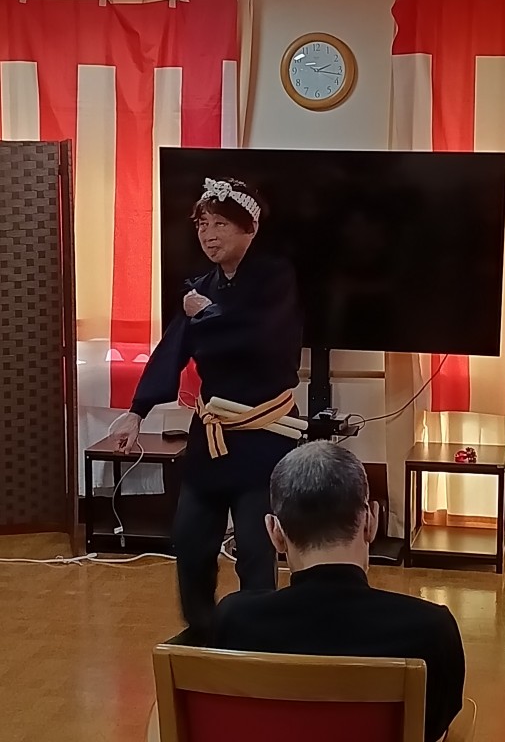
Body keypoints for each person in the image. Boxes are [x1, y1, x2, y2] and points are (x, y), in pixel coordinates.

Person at [109, 177, 303, 644]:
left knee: (256, 547)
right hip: (212, 435)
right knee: (191, 541)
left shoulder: (276, 278)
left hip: (263, 435)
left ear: (249, 227)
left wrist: (208, 314)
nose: (208, 235)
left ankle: (258, 639)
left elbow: (257, 338)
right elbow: (174, 347)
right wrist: (137, 411)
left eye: (220, 225)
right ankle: (202, 634)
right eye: (202, 225)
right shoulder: (200, 288)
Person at [212, 442, 465, 742]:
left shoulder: (233, 620)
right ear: (370, 522)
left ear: (275, 533)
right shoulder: (431, 630)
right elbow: (436, 729)